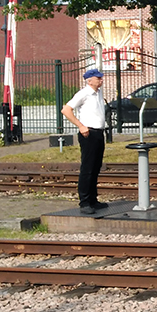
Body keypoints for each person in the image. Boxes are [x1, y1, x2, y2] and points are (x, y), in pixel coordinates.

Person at [61, 68, 109, 214]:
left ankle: (93, 199)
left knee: (96, 166)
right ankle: (85, 202)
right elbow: (66, 110)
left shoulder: (98, 93)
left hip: (99, 132)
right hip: (89, 133)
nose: (101, 80)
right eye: (98, 78)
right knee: (88, 167)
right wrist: (81, 126)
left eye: (101, 78)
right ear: (89, 81)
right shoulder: (84, 93)